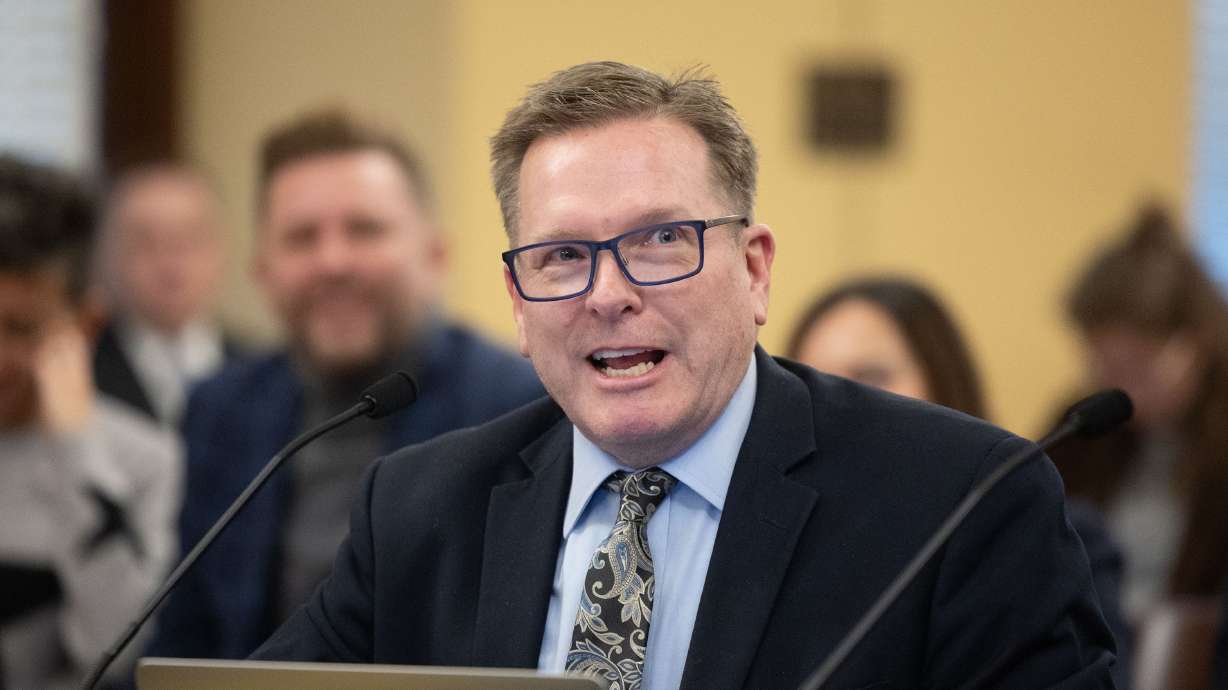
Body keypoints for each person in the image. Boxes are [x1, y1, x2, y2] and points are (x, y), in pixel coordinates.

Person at [252, 62, 1114, 688]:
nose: (609, 294)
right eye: (561, 257)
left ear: (755, 270)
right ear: (518, 302)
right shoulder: (417, 510)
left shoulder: (960, 502)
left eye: (661, 240)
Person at [147, 110, 543, 659]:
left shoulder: (524, 406)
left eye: (364, 230)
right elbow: (186, 639)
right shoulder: (221, 409)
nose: (332, 262)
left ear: (434, 255)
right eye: (302, 237)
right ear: (262, 269)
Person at [787, 276, 1132, 688]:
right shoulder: (781, 542)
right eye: (815, 384)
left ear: (942, 376)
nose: (839, 407)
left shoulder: (1037, 531)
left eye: (871, 376)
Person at [0, 155, 181, 688]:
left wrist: (77, 452)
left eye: (18, 327)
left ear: (85, 323)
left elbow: (113, 655)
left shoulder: (144, 459)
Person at [1050, 205, 1228, 624]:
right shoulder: (1081, 426)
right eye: (1103, 365)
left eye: (1137, 365)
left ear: (1196, 345)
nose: (1119, 386)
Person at [93, 161, 241, 426]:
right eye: (146, 241)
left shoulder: (264, 367)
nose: (169, 261)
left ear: (219, 250)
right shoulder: (82, 371)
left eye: (189, 239)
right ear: (110, 255)